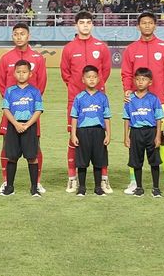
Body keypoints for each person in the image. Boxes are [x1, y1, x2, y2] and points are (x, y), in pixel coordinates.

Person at [121, 12, 164, 196]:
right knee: (134, 143)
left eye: (150, 23)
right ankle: (133, 182)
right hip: (136, 103)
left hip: (160, 102)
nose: (147, 26)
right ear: (138, 26)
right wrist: (127, 91)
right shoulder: (131, 49)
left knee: (162, 141)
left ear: (155, 25)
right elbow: (126, 74)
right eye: (143, 23)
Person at [60, 11, 112, 194]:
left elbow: (105, 71)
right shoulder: (68, 48)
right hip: (76, 99)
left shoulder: (101, 47)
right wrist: (76, 88)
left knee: (101, 138)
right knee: (73, 138)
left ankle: (103, 179)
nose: (85, 25)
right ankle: (72, 178)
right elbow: (65, 73)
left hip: (98, 99)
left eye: (88, 22)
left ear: (92, 25)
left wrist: (95, 89)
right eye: (81, 22)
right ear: (76, 25)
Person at [0, 22, 46, 194]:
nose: (19, 37)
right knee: (8, 148)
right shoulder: (6, 58)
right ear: (12, 36)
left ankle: (36, 183)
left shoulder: (38, 58)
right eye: (15, 34)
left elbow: (41, 84)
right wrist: (12, 100)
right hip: (11, 111)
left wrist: (30, 102)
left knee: (34, 148)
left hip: (31, 114)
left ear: (28, 36)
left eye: (22, 33)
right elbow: (1, 83)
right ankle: (7, 182)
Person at [0, 60, 43, 197]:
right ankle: (9, 187)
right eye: (18, 72)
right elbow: (5, 109)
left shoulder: (34, 91)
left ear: (30, 74)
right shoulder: (10, 91)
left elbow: (38, 110)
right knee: (12, 157)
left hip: (29, 126)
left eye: (24, 72)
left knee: (32, 157)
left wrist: (28, 124)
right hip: (13, 126)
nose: (21, 75)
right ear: (14, 73)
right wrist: (16, 124)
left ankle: (34, 187)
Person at [122, 68, 164, 198]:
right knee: (136, 161)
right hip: (135, 132)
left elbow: (158, 119)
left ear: (150, 82)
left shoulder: (153, 99)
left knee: (154, 161)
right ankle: (139, 187)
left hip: (151, 132)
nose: (140, 82)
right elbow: (126, 119)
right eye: (138, 79)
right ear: (135, 81)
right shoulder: (129, 99)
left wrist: (158, 136)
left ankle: (156, 188)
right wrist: (126, 137)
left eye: (144, 79)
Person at [70, 65, 111, 196]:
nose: (91, 80)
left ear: (98, 79)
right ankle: (81, 187)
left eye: (94, 77)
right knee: (82, 161)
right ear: (83, 80)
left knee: (98, 160)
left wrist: (108, 134)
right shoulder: (79, 97)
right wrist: (73, 134)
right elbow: (74, 117)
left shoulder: (103, 97)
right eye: (88, 77)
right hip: (82, 132)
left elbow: (107, 117)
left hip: (98, 132)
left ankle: (98, 187)